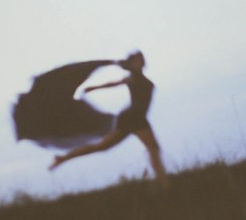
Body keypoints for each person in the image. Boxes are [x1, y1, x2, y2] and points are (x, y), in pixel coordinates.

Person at [48, 51, 166, 180]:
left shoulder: (137, 77)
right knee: (153, 148)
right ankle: (163, 182)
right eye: (138, 59)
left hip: (136, 117)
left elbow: (116, 82)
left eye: (142, 58)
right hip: (133, 117)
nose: (142, 60)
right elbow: (112, 84)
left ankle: (63, 158)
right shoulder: (133, 77)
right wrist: (93, 87)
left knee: (102, 147)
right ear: (132, 64)